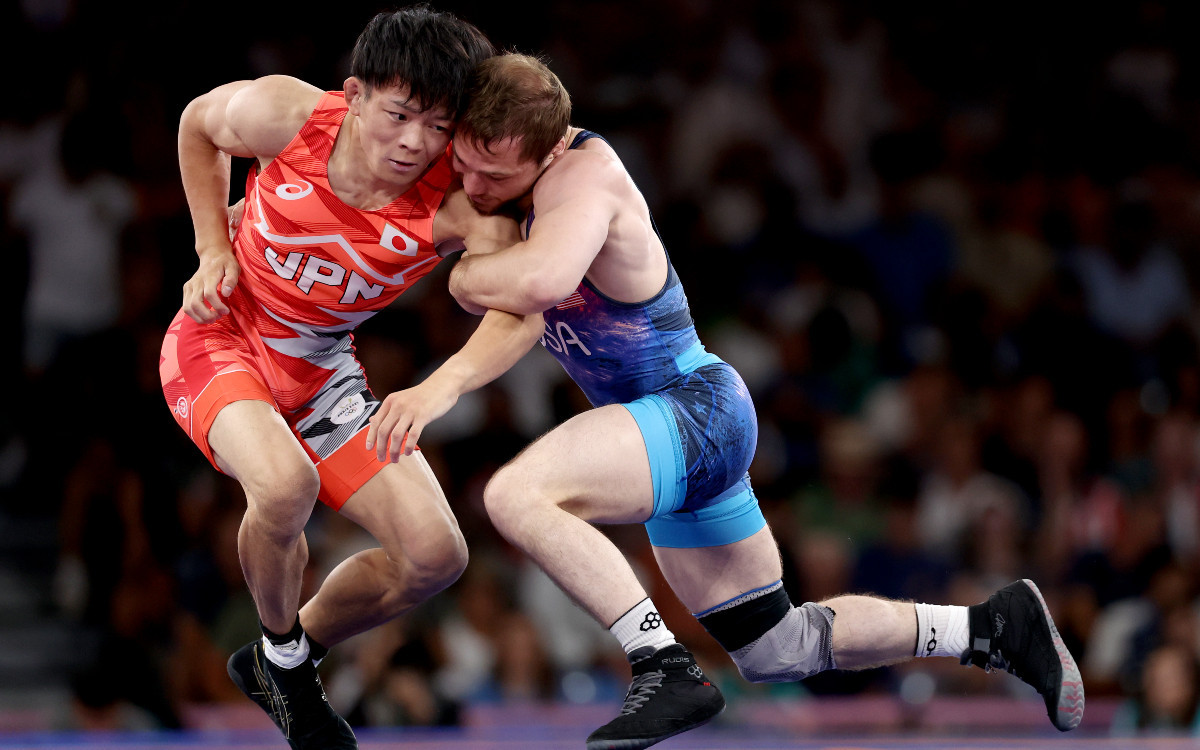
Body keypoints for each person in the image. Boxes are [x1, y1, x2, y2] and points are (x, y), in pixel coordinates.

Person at [443, 53, 1085, 749]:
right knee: (776, 646)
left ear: (548, 149)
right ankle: (989, 627)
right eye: (466, 165)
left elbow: (543, 279)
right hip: (668, 430)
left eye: (494, 173)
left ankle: (661, 664)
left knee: (514, 495)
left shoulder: (586, 175)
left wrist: (464, 274)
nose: (473, 185)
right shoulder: (502, 182)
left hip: (690, 410)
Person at [159, 9, 542, 749]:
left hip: (323, 373)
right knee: (283, 486)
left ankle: (279, 655)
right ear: (356, 93)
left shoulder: (460, 202)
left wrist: (442, 386)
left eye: (438, 125)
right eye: (400, 115)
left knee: (437, 556)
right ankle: (289, 671)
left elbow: (520, 311)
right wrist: (211, 248)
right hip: (220, 337)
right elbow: (197, 124)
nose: (415, 143)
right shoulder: (286, 115)